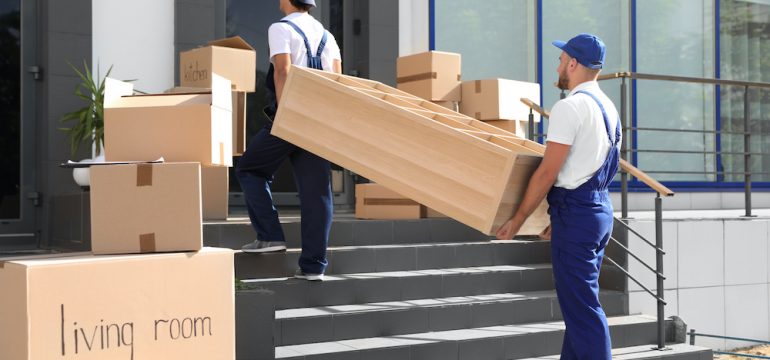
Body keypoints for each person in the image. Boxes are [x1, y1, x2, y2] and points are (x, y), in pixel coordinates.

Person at [496, 33, 620, 359]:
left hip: (579, 216)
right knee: (578, 311)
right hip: (596, 212)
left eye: (561, 59)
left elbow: (547, 173)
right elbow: (593, 167)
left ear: (573, 63)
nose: (558, 65)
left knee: (583, 313)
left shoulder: (570, 107)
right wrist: (562, 215)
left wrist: (518, 218)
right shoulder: (608, 107)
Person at [237, 0, 342, 282]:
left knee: (250, 169)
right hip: (318, 121)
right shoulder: (328, 37)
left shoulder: (280, 29)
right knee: (317, 193)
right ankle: (313, 266)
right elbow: (338, 83)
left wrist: (286, 116)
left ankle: (270, 235)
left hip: (292, 114)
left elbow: (282, 71)